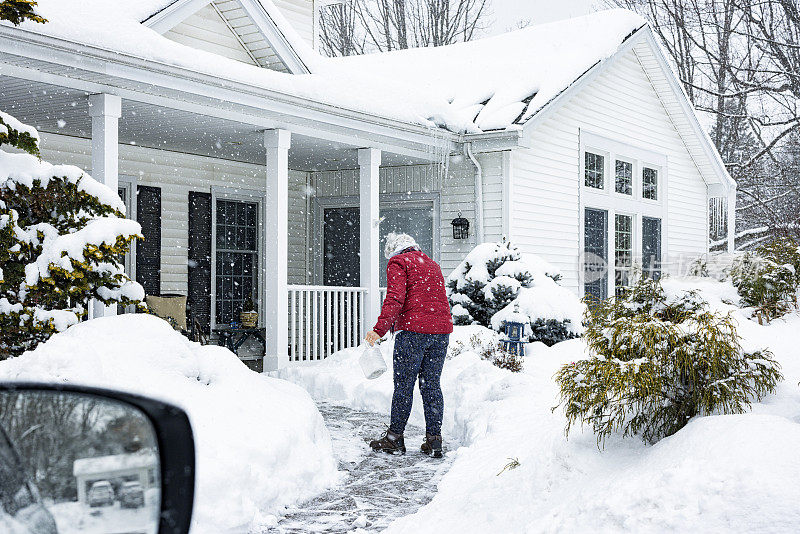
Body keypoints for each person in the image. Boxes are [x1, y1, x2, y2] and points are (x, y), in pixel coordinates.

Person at [365, 232, 453, 458]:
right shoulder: (432, 264)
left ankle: (395, 439)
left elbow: (395, 298)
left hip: (413, 333)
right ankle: (434, 440)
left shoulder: (399, 262)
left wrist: (379, 330)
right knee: (431, 385)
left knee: (404, 386)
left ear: (393, 251)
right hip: (440, 333)